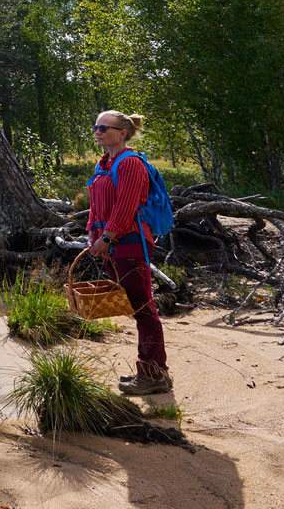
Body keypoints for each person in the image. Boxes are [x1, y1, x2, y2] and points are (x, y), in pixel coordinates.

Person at [85, 110, 171, 395]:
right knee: (137, 309)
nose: (97, 131)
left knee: (144, 309)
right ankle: (151, 372)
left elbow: (126, 206)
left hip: (129, 244)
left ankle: (153, 375)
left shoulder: (130, 164)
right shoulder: (104, 164)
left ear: (122, 133)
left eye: (104, 128)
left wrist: (107, 238)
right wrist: (92, 234)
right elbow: (98, 206)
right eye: (96, 127)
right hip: (111, 246)